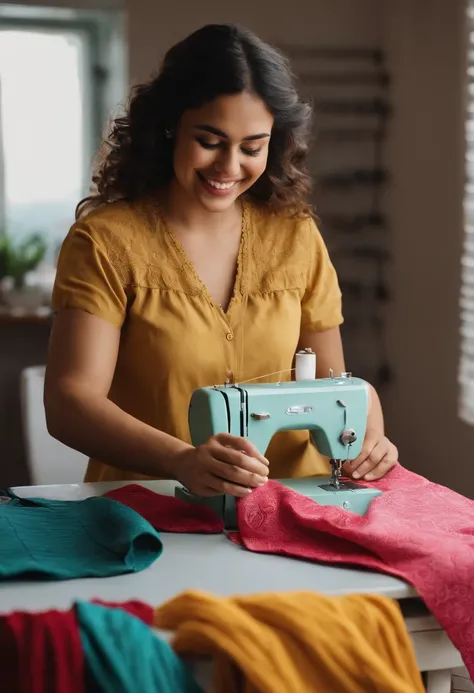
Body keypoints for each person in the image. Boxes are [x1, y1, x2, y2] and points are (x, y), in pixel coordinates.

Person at [44, 23, 398, 497]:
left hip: (283, 511)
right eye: (210, 141)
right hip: (146, 511)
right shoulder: (106, 244)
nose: (229, 168)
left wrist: (369, 424)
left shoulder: (296, 238)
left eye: (252, 147)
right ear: (171, 126)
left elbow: (335, 386)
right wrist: (180, 460)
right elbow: (70, 402)